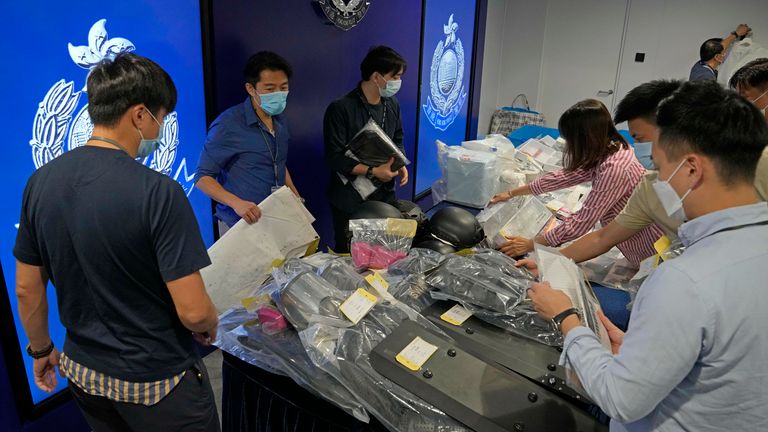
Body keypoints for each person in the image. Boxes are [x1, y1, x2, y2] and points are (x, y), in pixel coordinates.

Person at [526, 80, 768, 432]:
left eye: (657, 164)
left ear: (691, 170)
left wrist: (566, 318)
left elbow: (621, 399)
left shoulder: (685, 281)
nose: (655, 178)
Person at [13, 53, 219, 431]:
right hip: (157, 383)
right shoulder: (159, 193)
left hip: (84, 374)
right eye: (162, 117)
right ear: (140, 115)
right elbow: (193, 312)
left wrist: (41, 350)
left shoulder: (39, 183)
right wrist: (209, 319)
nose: (160, 131)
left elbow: (27, 288)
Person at [548, 77, 768, 267]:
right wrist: (552, 261)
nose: (642, 150)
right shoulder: (652, 185)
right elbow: (603, 237)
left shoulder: (756, 164)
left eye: (641, 139)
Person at [489, 99, 663, 267]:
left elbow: (581, 223)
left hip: (647, 250)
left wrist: (531, 244)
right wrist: (512, 193)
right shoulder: (611, 149)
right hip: (633, 243)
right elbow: (565, 177)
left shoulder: (615, 167)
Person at [196, 51, 300, 236]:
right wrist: (236, 203)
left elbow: (278, 162)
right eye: (269, 89)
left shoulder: (280, 120)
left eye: (283, 87)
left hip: (277, 219)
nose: (278, 94)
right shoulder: (228, 124)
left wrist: (295, 196)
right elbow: (203, 178)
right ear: (251, 89)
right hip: (240, 224)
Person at [324, 46, 408, 252]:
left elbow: (397, 138)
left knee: (384, 252)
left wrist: (400, 162)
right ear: (377, 77)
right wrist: (371, 171)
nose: (398, 82)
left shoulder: (392, 104)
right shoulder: (341, 108)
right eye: (395, 76)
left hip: (384, 194)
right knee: (350, 255)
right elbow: (334, 158)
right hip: (350, 199)